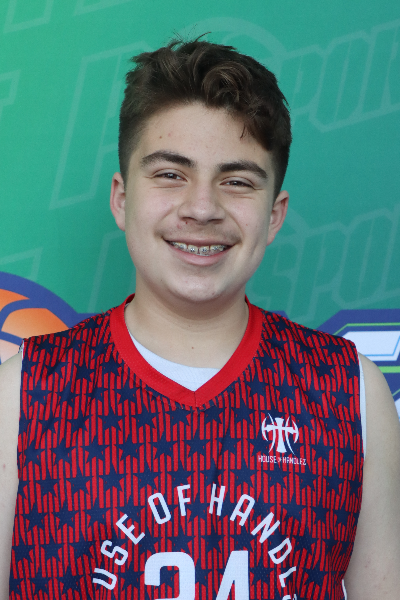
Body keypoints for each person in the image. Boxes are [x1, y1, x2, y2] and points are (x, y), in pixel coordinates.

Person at [0, 38, 399, 600]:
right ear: (121, 198)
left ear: (274, 214)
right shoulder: (23, 393)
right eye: (170, 174)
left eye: (237, 181)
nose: (202, 207)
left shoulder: (348, 390)